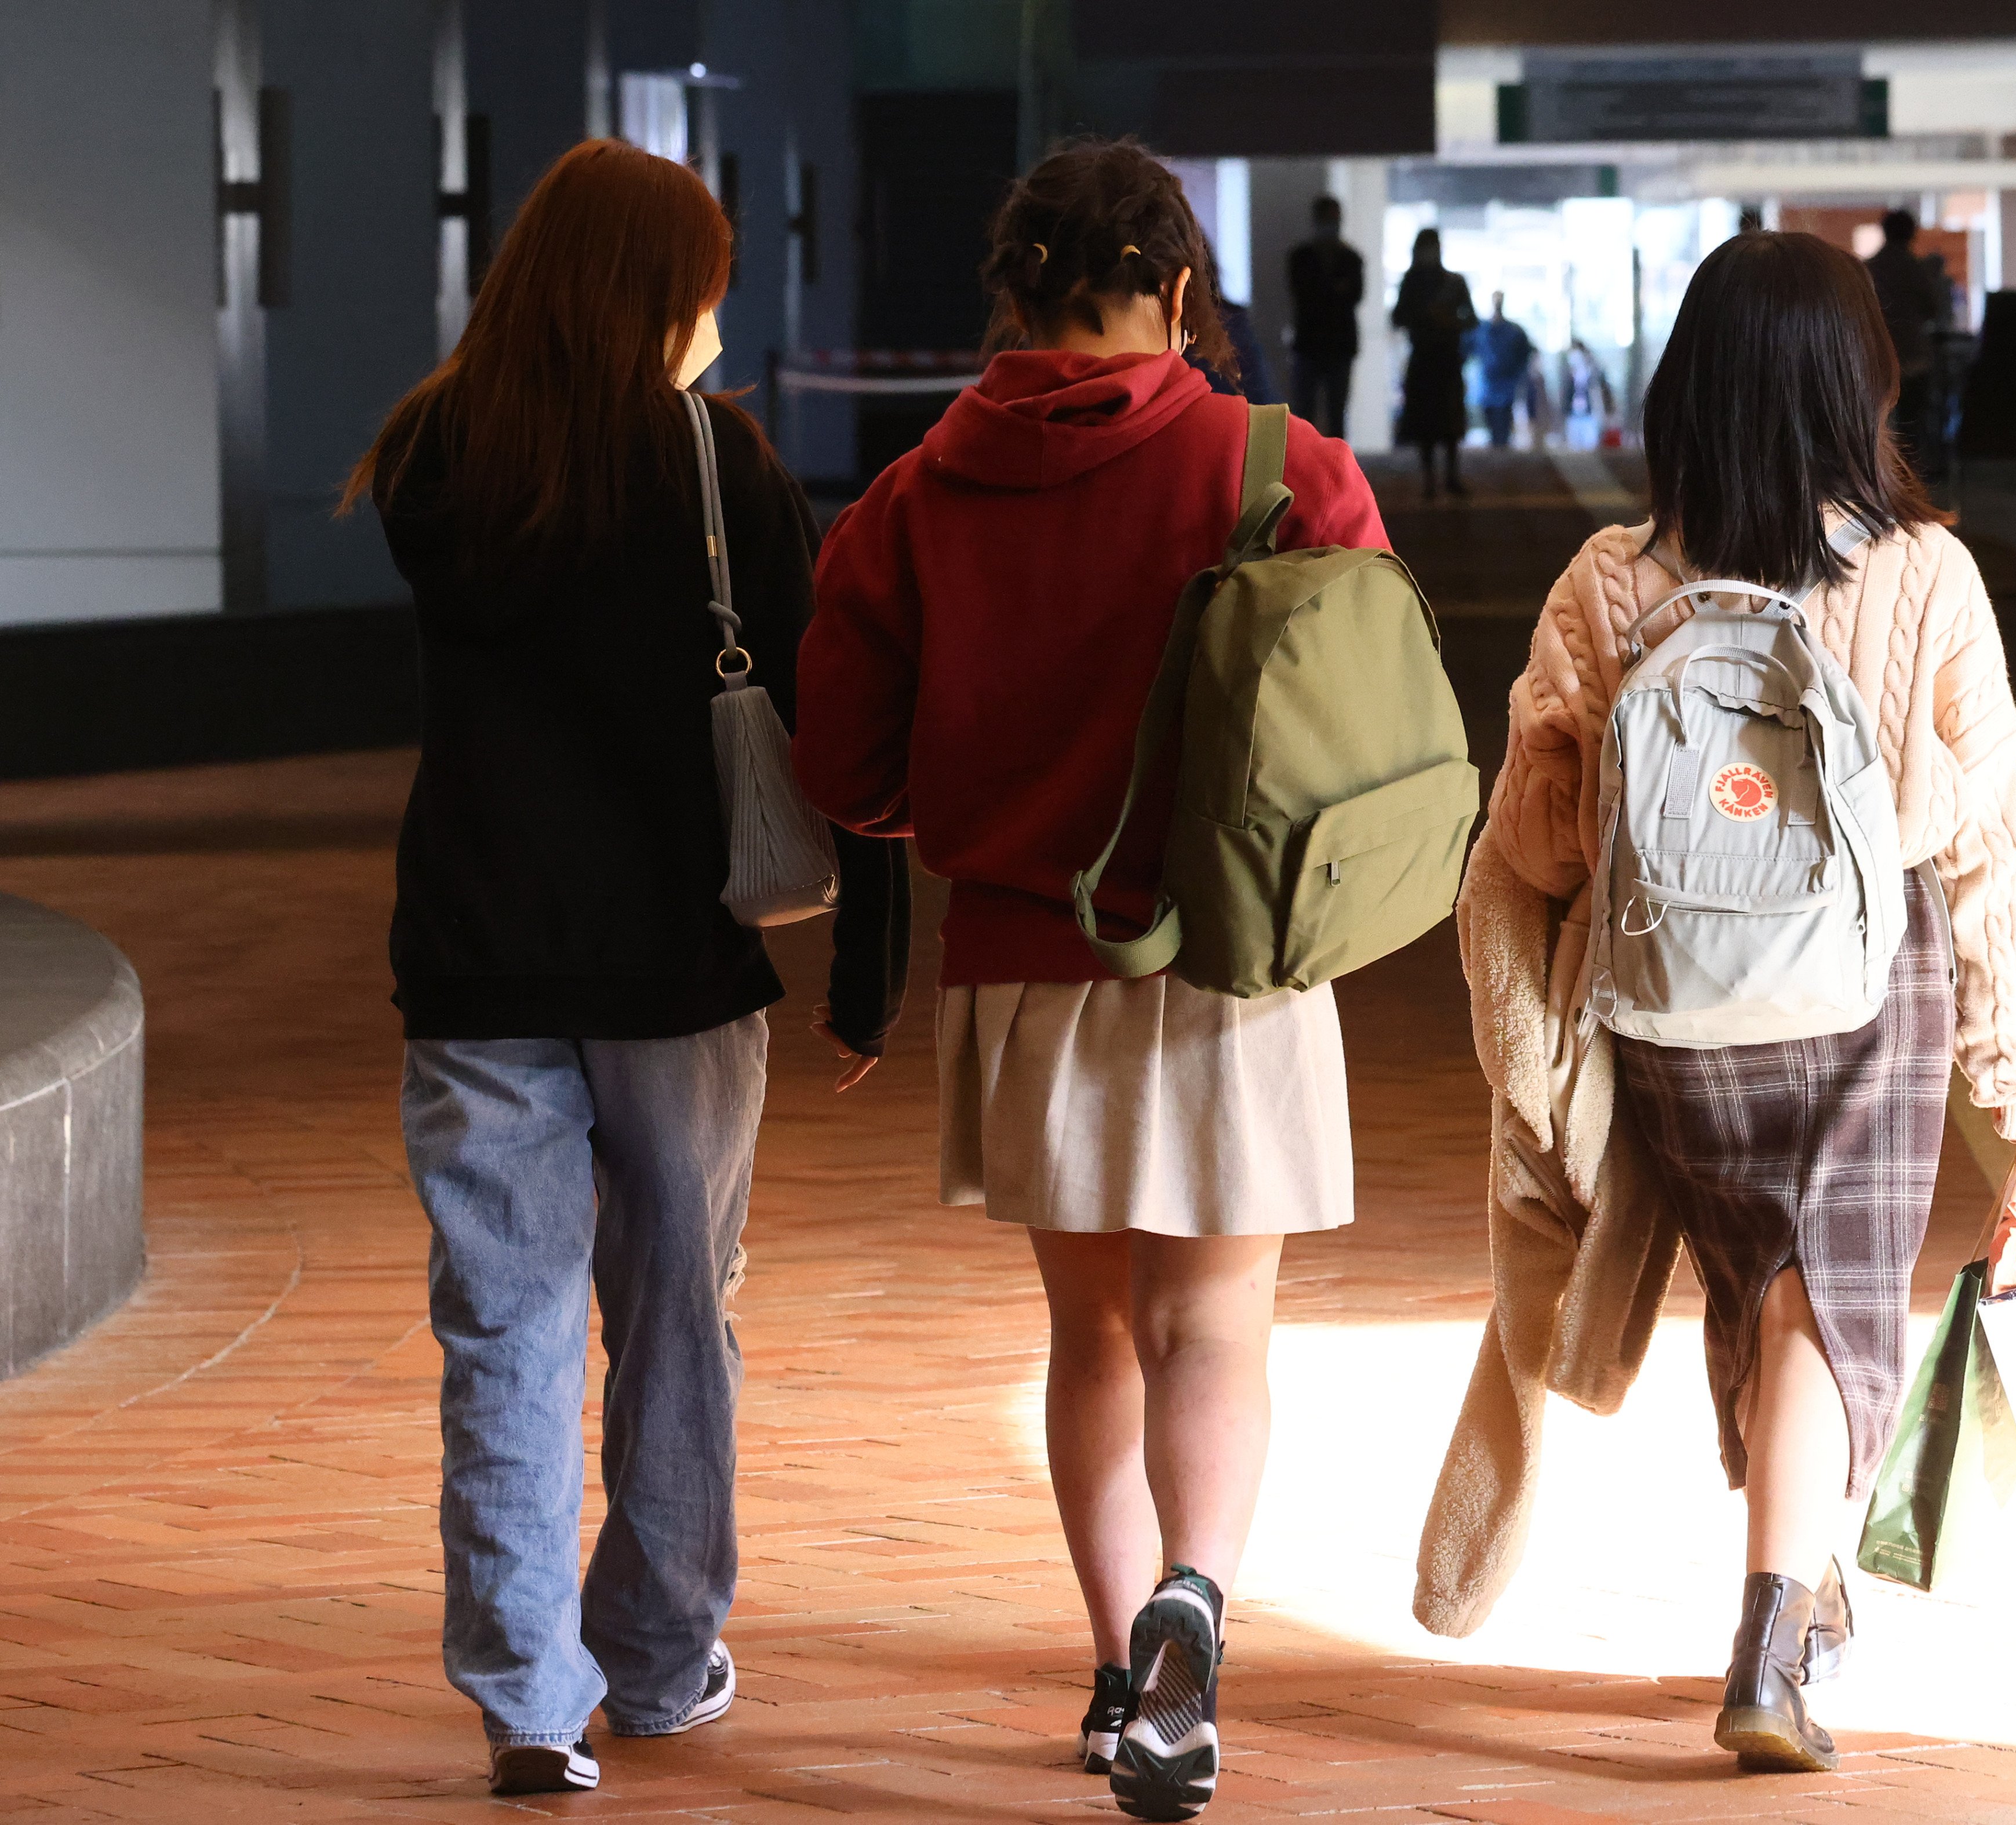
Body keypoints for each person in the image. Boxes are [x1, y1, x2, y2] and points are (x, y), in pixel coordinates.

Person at [793, 137, 1387, 1824]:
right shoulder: (1282, 466)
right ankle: (1200, 1598)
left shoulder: (916, 492)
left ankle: (1126, 1659)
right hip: (1234, 960)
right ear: (1180, 290)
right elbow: (1371, 709)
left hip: (1027, 965)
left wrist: (974, 795)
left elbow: (843, 760)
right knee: (1217, 1323)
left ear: (1015, 297)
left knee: (1094, 1331)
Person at [341, 139, 908, 1797]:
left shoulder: (439, 449)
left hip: (474, 956)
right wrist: (860, 974)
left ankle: (528, 1695)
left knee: (500, 1322)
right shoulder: (709, 459)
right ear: (670, 289)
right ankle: (659, 1659)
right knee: (674, 1317)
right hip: (675, 964)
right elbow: (835, 723)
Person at [1483, 232, 2016, 1772]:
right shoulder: (1926, 572)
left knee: (1764, 1287)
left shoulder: (1610, 583)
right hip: (1871, 995)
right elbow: (1985, 853)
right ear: (1854, 385)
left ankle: (1791, 1583)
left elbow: (1534, 847)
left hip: (1681, 1007)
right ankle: (1770, 1629)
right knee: (1822, 1294)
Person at [1391, 228, 1477, 499]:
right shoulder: (1411, 283)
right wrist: (1423, 316)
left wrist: (1450, 320)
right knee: (1425, 421)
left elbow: (1472, 319)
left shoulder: (1454, 283)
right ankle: (1430, 478)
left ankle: (1451, 475)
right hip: (1424, 358)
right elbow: (1397, 317)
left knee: (1450, 420)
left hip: (1447, 358)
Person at [1864, 209, 1949, 475]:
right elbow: (1932, 309)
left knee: (1878, 426)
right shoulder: (1915, 269)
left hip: (1877, 359)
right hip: (1914, 359)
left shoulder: (1870, 268)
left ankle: (1881, 476)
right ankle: (1911, 476)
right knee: (1913, 426)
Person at [1285, 194, 1362, 436]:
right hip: (1310, 344)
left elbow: (1355, 295)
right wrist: (1334, 289)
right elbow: (1302, 294)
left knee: (1337, 412)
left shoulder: (1351, 259)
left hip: (1339, 345)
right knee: (1304, 414)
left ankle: (1335, 467)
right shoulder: (1301, 258)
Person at [1472, 291, 1535, 448]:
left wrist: (1519, 378)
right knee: (1494, 425)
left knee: (1502, 428)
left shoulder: (1514, 332)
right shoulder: (1483, 330)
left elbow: (1525, 355)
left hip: (1506, 387)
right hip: (1488, 387)